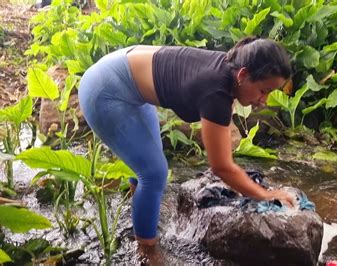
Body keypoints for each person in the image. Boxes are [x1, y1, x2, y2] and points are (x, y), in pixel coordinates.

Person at [78, 37, 296, 250]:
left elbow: (224, 152)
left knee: (146, 166)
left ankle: (139, 221)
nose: (264, 100)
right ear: (243, 74)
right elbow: (221, 166)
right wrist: (266, 194)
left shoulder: (230, 69)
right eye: (264, 91)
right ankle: (147, 252)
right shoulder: (216, 92)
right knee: (154, 174)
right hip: (105, 89)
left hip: (121, 75)